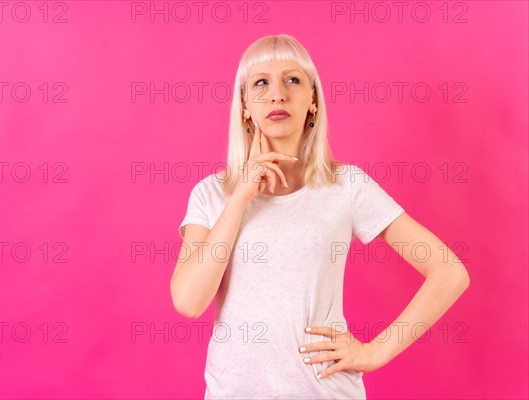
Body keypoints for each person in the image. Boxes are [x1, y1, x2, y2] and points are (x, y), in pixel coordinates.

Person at [170, 34, 470, 399]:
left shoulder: (346, 185)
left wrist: (375, 352)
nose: (277, 94)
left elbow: (449, 272)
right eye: (261, 82)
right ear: (245, 105)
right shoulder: (211, 194)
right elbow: (189, 301)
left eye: (292, 80)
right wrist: (240, 198)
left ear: (312, 100)